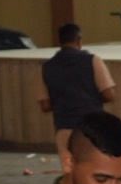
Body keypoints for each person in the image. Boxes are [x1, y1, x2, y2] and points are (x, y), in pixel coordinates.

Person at [38, 23, 116, 167]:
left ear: (59, 41)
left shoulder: (47, 67)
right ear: (79, 40)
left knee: (71, 172)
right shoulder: (93, 60)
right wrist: (90, 98)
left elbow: (45, 105)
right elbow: (109, 95)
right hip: (93, 126)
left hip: (64, 127)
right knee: (95, 170)